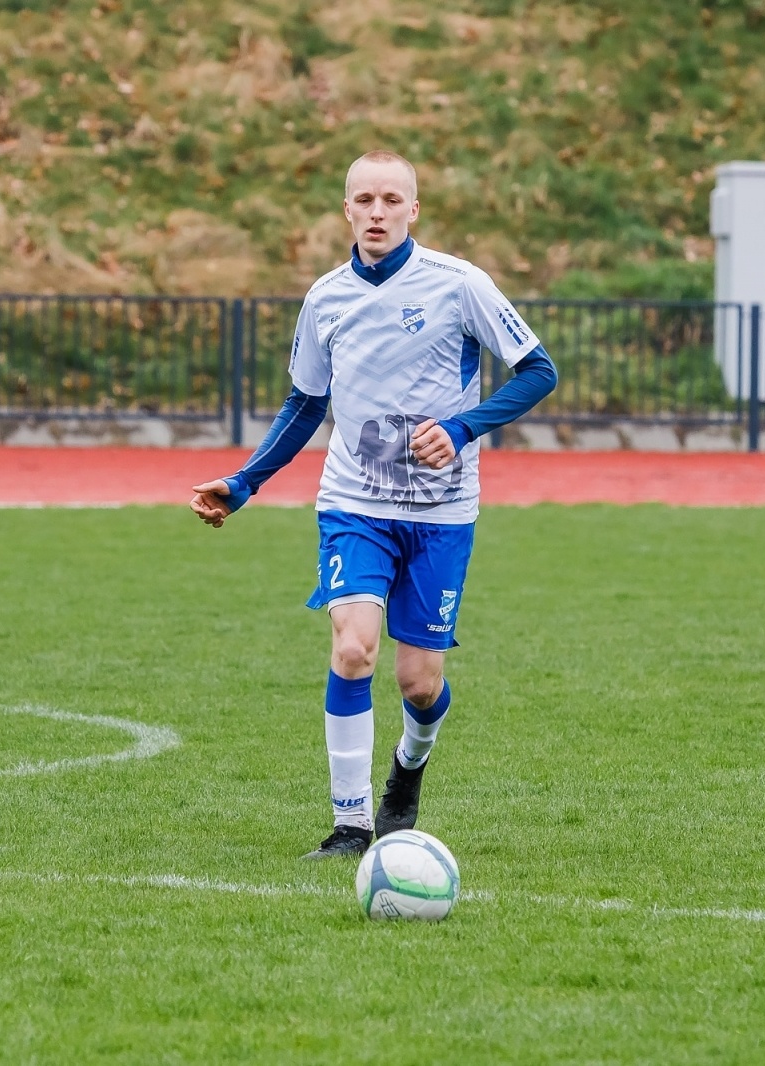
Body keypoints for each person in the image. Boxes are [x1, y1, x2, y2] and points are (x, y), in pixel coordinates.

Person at [190, 150, 557, 859]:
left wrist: (460, 429)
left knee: (419, 683)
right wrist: (243, 483)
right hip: (354, 503)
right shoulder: (326, 297)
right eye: (365, 199)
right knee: (353, 647)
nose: (378, 212)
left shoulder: (460, 285)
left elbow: (539, 370)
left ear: (413, 210)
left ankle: (407, 773)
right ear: (347, 211)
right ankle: (351, 827)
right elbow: (305, 403)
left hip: (443, 513)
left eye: (392, 199)